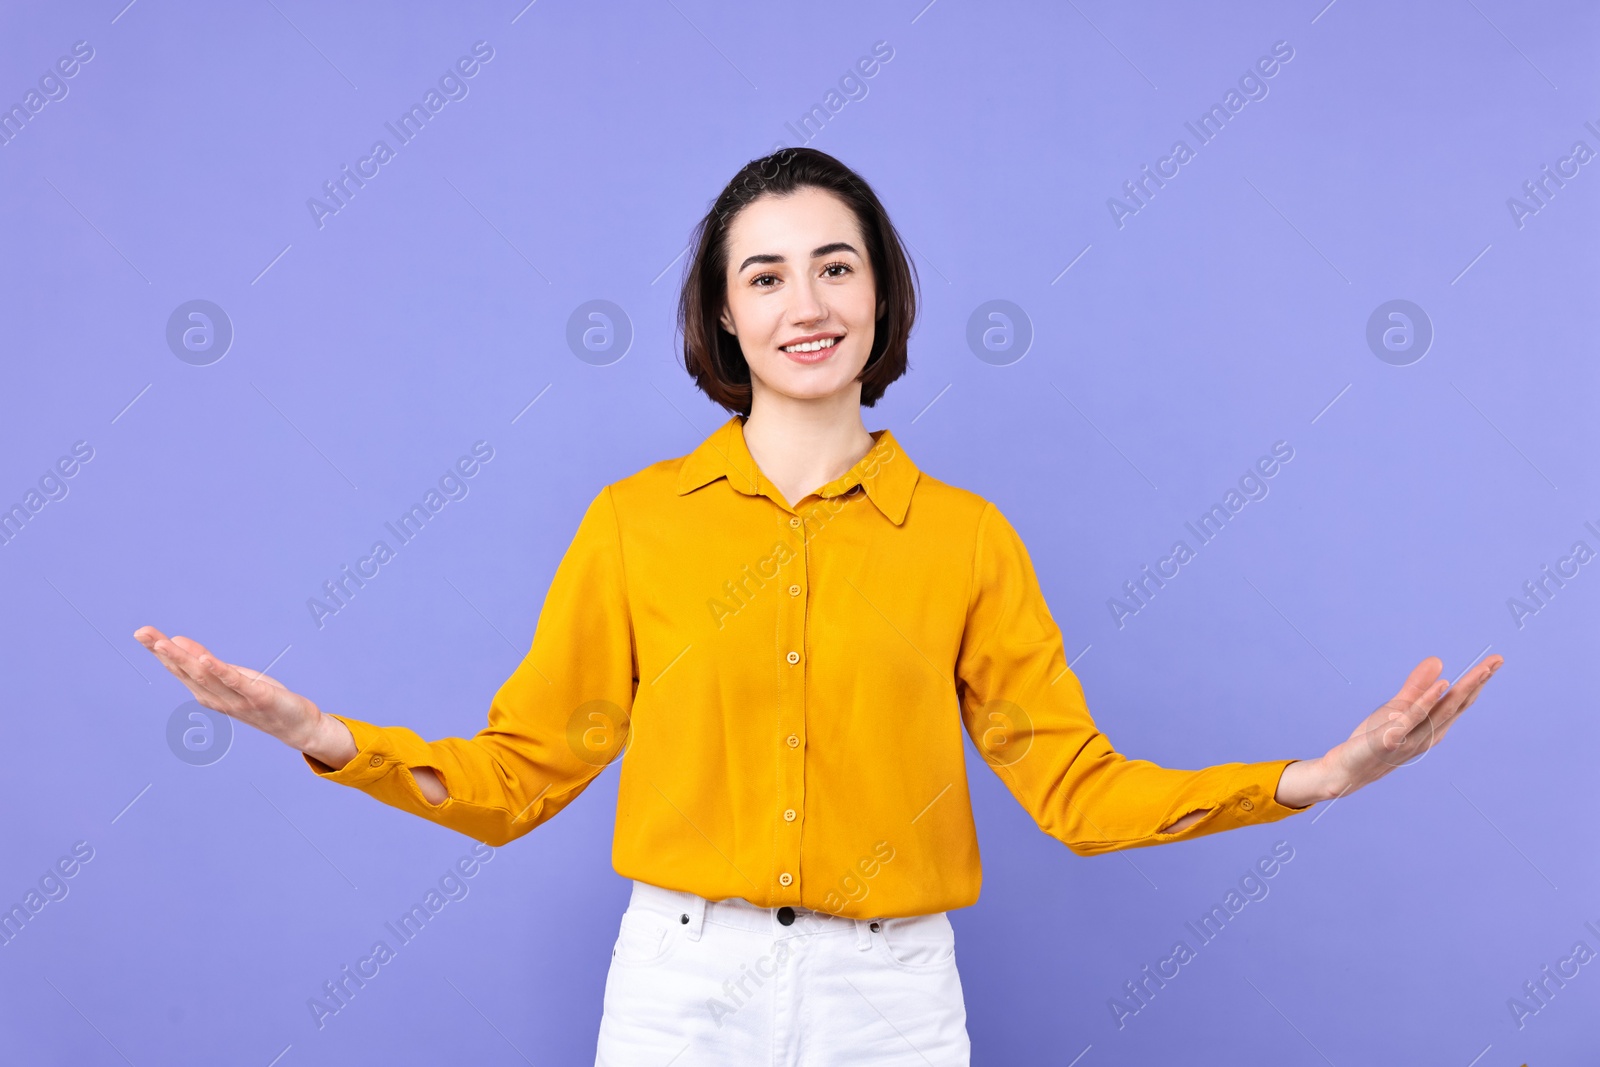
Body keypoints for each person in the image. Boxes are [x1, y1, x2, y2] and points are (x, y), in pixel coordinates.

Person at [133, 147, 1503, 1065]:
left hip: (891, 1002)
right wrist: (320, 733)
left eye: (836, 265)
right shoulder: (634, 526)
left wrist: (1316, 778)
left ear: (883, 292)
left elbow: (1077, 795)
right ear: (724, 316)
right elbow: (513, 779)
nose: (807, 301)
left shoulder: (967, 541)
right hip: (680, 993)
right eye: (767, 273)